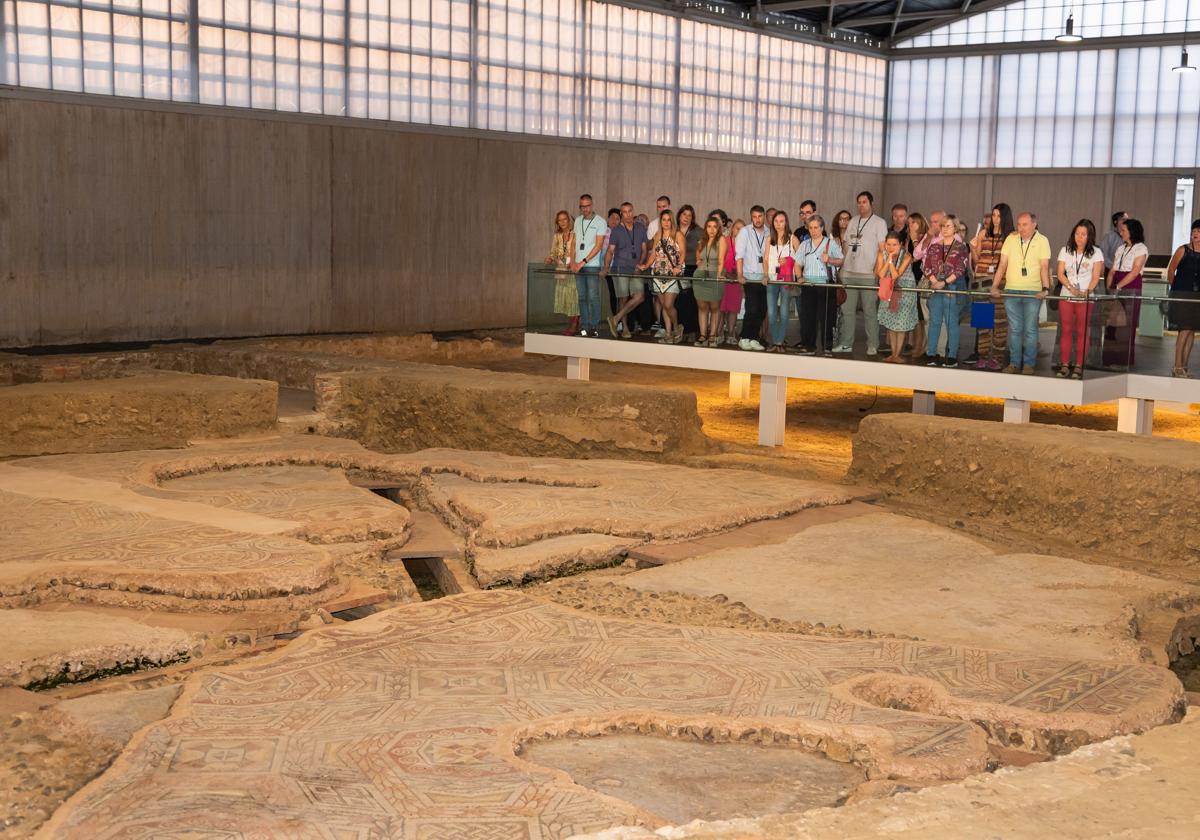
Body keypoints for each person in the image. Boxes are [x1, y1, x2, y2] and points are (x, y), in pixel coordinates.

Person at [991, 211, 1052, 375]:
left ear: (1034, 224)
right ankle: (1014, 363)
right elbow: (1002, 264)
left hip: (1033, 292)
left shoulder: (1042, 240)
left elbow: (1044, 267)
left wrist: (1045, 289)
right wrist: (995, 286)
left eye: (1025, 224)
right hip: (1011, 290)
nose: (1021, 228)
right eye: (1019, 224)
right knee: (1015, 329)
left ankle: (1029, 364)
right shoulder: (1011, 239)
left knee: (1030, 329)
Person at [836, 191, 888, 356]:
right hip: (850, 272)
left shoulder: (879, 223)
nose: (861, 205)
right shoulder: (853, 221)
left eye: (864, 202)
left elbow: (883, 250)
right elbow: (846, 245)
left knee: (869, 311)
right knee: (847, 311)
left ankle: (872, 344)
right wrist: (843, 267)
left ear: (871, 203)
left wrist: (876, 271)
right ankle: (846, 343)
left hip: (868, 274)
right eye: (859, 202)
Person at [1055, 219, 1104, 380]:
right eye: (1077, 233)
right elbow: (1060, 273)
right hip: (1067, 294)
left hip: (1085, 297)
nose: (1079, 237)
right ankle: (1064, 364)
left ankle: (1079, 365)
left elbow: (1096, 276)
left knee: (1082, 331)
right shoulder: (1065, 250)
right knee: (1066, 330)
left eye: (1083, 234)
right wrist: (1071, 288)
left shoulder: (1096, 253)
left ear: (1089, 236)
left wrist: (1087, 291)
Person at [969, 203, 1014, 370]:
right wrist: (973, 248)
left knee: (1000, 323)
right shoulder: (984, 233)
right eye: (994, 215)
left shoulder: (1011, 237)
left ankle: (997, 357)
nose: (995, 219)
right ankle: (982, 356)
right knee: (982, 323)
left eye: (999, 216)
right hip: (981, 281)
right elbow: (977, 259)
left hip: (1000, 284)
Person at [922, 213, 970, 367]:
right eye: (943, 226)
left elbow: (960, 268)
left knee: (951, 323)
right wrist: (934, 281)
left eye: (948, 225)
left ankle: (952, 356)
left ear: (955, 228)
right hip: (936, 287)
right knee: (934, 322)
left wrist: (944, 282)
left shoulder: (961, 247)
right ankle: (931, 354)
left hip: (952, 288)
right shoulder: (935, 246)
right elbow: (926, 266)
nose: (945, 228)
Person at [796, 214, 844, 355]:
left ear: (822, 228)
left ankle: (827, 347)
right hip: (808, 285)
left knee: (826, 318)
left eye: (816, 227)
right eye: (810, 227)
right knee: (808, 317)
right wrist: (799, 277)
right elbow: (797, 263)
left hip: (825, 285)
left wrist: (830, 259)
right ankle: (808, 346)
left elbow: (841, 260)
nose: (813, 230)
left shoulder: (830, 243)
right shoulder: (804, 244)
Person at [1103, 218, 1148, 368]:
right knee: (1111, 323)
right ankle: (1109, 359)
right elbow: (1113, 271)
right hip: (1117, 284)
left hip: (1131, 285)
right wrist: (1109, 287)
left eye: (1123, 230)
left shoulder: (1141, 248)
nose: (1121, 233)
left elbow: (1135, 272)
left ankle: (1124, 360)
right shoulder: (1120, 248)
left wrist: (1118, 286)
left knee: (1127, 324)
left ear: (1132, 232)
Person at [640, 208, 686, 343]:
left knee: (668, 304)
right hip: (658, 274)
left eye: (668, 220)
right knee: (663, 304)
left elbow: (682, 253)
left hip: (673, 274)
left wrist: (678, 266)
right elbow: (654, 254)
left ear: (672, 221)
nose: (666, 222)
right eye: (663, 220)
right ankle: (668, 333)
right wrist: (646, 265)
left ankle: (677, 328)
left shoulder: (678, 235)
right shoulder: (657, 234)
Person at [605, 203, 648, 339]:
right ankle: (625, 328)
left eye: (630, 211)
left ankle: (615, 318)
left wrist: (640, 263)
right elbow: (610, 251)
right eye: (624, 212)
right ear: (621, 214)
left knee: (639, 297)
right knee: (623, 298)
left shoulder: (640, 228)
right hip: (620, 267)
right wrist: (606, 268)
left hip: (635, 268)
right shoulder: (616, 230)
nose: (628, 214)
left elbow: (644, 249)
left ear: (633, 211)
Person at [570, 194, 608, 337]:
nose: (585, 209)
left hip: (591, 265)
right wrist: (573, 262)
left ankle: (594, 326)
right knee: (581, 297)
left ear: (592, 205)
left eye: (587, 206)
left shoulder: (600, 222)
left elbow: (598, 246)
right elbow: (573, 243)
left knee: (593, 296)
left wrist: (582, 262)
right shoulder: (578, 221)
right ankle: (584, 326)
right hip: (578, 265)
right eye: (582, 206)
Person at [762, 209, 800, 352]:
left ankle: (778, 342)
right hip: (771, 279)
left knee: (784, 312)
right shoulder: (768, 239)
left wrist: (789, 260)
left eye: (781, 221)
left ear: (786, 222)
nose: (778, 224)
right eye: (776, 221)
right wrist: (765, 275)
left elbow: (800, 259)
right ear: (773, 223)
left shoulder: (792, 239)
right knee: (771, 313)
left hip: (786, 280)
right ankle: (777, 340)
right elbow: (765, 259)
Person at [876, 231, 916, 363]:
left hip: (905, 292)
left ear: (901, 244)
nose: (891, 247)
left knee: (901, 324)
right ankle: (893, 353)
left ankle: (897, 354)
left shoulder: (907, 256)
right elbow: (880, 274)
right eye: (888, 244)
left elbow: (895, 275)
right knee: (891, 323)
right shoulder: (882, 255)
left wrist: (891, 263)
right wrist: (888, 260)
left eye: (894, 244)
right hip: (889, 290)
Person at [1167, 220, 1200, 377]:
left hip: (1197, 297)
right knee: (1184, 329)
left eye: (1199, 231)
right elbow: (1171, 270)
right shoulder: (1183, 250)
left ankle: (1184, 365)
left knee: (1192, 331)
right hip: (1182, 296)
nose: (1195, 234)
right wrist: (1177, 291)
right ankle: (1177, 366)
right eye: (1194, 230)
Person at [736, 206, 769, 351]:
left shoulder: (769, 231)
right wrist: (739, 274)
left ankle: (754, 338)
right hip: (749, 276)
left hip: (765, 277)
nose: (757, 219)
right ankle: (744, 337)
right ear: (751, 217)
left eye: (760, 216)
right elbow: (739, 255)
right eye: (754, 216)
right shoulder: (745, 231)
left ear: (764, 216)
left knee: (762, 309)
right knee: (752, 308)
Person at [693, 215, 728, 346]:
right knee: (702, 307)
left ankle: (712, 336)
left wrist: (719, 275)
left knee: (714, 307)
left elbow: (721, 261)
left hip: (715, 276)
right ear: (705, 228)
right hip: (700, 275)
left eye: (714, 227)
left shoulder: (721, 240)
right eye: (709, 226)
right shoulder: (702, 240)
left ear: (718, 228)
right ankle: (703, 335)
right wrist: (699, 262)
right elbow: (698, 258)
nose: (711, 229)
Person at [545, 210, 579, 335]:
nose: (563, 222)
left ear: (569, 221)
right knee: (566, 298)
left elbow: (579, 251)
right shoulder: (557, 236)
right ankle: (571, 323)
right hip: (561, 269)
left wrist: (575, 261)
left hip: (573, 270)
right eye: (560, 220)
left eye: (565, 219)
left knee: (574, 298)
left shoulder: (575, 234)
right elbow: (553, 252)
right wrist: (550, 258)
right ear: (557, 222)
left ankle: (574, 324)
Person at [676, 205, 703, 342]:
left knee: (692, 300)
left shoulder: (697, 231)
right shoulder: (673, 230)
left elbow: (704, 247)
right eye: (684, 214)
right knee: (680, 300)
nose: (686, 217)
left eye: (689, 215)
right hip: (677, 268)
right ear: (679, 215)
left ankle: (693, 330)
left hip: (693, 268)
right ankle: (683, 330)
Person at [906, 212, 930, 361]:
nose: (911, 225)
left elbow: (917, 256)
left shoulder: (925, 237)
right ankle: (916, 345)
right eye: (909, 222)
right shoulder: (909, 237)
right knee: (914, 316)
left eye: (913, 222)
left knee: (922, 317)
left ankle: (923, 347)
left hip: (921, 278)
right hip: (910, 278)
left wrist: (915, 241)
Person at [720, 219, 745, 345]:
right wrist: (724, 272)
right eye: (737, 228)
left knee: (733, 309)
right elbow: (720, 259)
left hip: (737, 280)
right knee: (722, 307)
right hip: (724, 278)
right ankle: (719, 333)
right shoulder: (725, 241)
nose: (739, 231)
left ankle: (731, 334)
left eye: (742, 229)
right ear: (732, 229)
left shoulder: (746, 244)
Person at [601, 207, 621, 319]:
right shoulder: (602, 232)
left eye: (617, 218)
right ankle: (615, 318)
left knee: (621, 296)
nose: (614, 220)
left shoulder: (622, 233)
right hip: (607, 269)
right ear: (608, 219)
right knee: (613, 294)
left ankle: (623, 321)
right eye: (612, 217)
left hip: (620, 269)